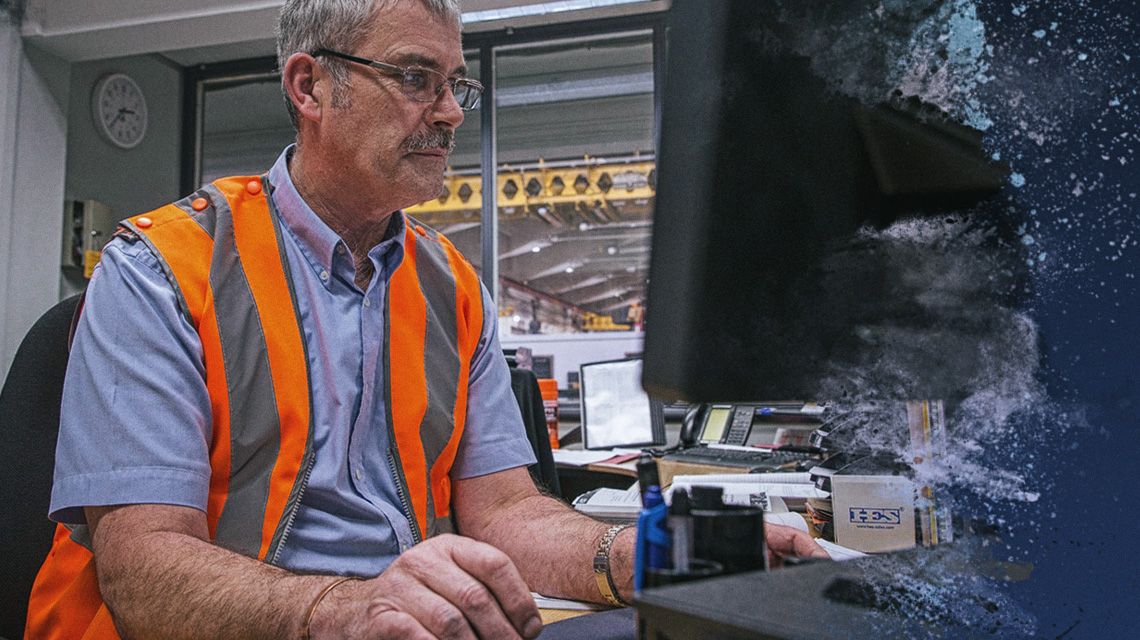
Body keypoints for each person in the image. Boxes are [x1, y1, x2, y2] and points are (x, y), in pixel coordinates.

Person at [26, 0, 827, 638]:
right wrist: (344, 611)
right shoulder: (159, 270)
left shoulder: (452, 286)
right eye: (416, 78)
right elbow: (144, 568)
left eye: (455, 85)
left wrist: (674, 554)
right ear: (310, 87)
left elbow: (507, 514)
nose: (449, 113)